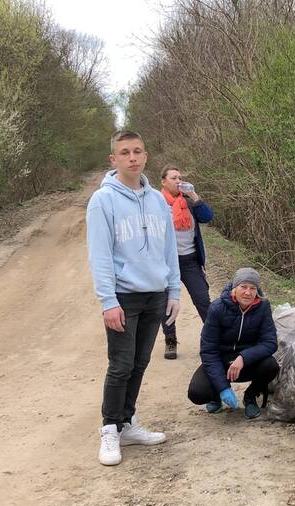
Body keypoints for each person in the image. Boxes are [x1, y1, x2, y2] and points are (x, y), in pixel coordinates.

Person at [86, 130, 181, 466]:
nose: (132, 157)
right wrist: (107, 301)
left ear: (146, 156)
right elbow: (99, 255)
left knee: (140, 363)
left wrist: (173, 289)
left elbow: (170, 248)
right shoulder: (103, 201)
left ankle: (127, 423)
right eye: (124, 152)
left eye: (137, 151)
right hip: (124, 296)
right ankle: (110, 429)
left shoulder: (157, 199)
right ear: (114, 159)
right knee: (121, 365)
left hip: (154, 294)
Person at [187, 267, 279, 420]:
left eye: (253, 288)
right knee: (197, 393)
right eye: (243, 287)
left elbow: (270, 342)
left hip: (248, 363)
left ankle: (250, 396)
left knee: (271, 366)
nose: (248, 292)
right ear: (234, 288)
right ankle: (216, 395)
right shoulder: (217, 308)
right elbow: (208, 351)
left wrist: (243, 357)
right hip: (221, 363)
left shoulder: (263, 307)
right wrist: (223, 387)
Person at [158, 165, 215, 360]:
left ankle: (212, 340)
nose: (178, 181)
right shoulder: (156, 203)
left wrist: (194, 196)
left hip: (190, 260)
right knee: (166, 304)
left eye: (180, 177)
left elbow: (207, 217)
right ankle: (170, 340)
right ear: (163, 182)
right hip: (166, 263)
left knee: (203, 300)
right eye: (173, 178)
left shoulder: (189, 203)